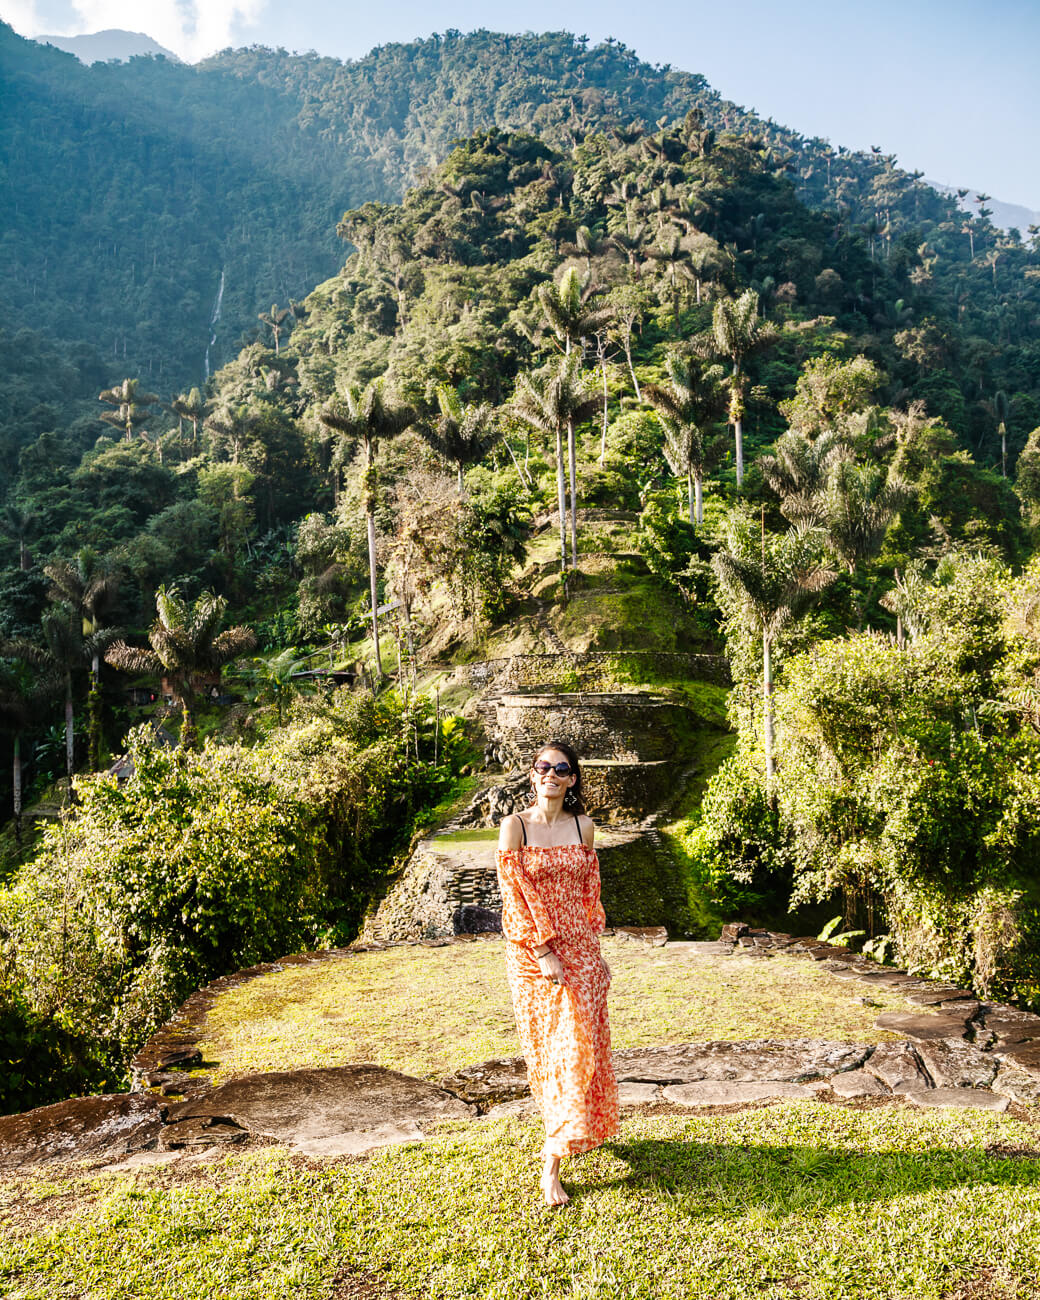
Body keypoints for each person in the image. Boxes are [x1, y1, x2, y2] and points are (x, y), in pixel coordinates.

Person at [496, 740, 618, 1206]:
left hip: (581, 948)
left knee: (582, 1044)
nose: (551, 774)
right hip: (532, 954)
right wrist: (544, 949)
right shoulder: (516, 828)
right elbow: (514, 895)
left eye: (561, 768)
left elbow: (591, 894)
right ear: (533, 775)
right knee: (551, 1054)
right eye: (543, 766)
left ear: (572, 779)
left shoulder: (584, 827)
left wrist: (594, 951)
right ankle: (559, 1146)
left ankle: (555, 1155)